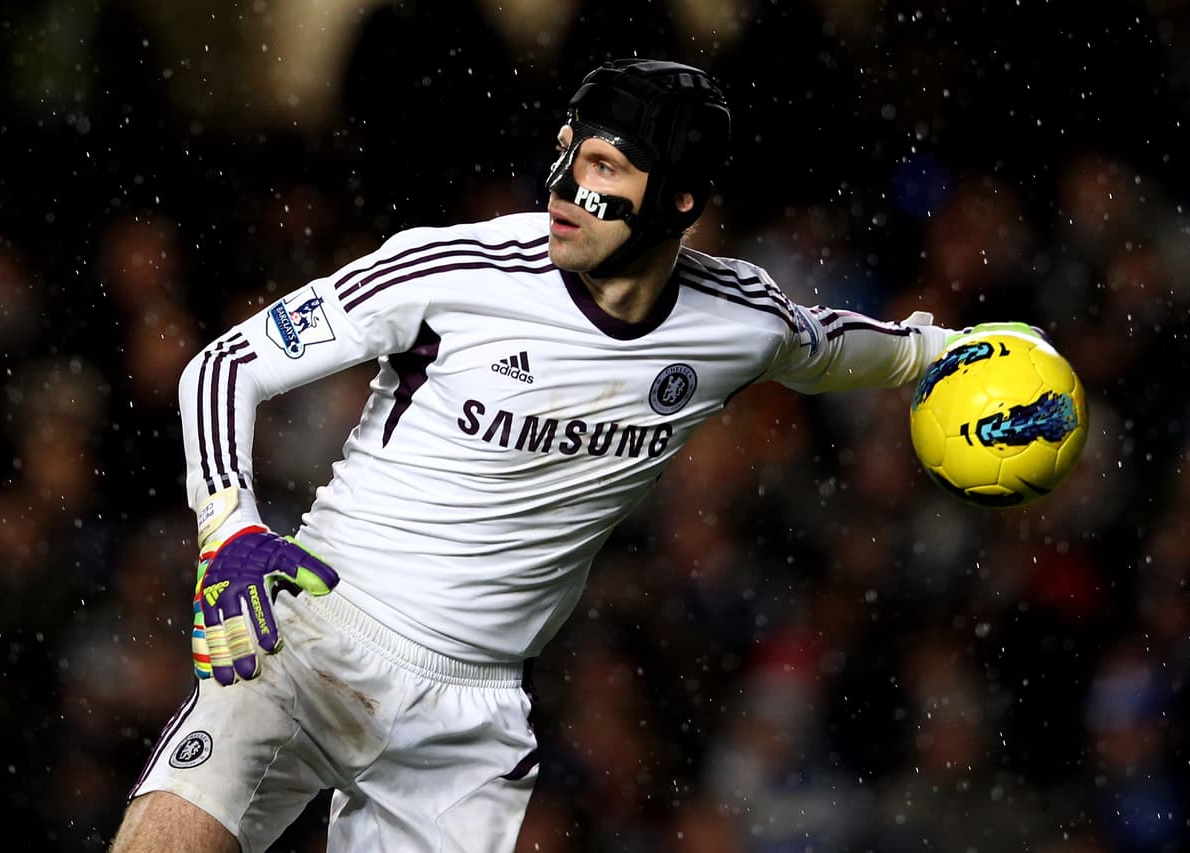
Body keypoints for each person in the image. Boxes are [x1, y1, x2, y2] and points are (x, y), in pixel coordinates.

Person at [111, 58, 979, 852]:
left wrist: (944, 352)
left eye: (603, 166)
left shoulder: (739, 321)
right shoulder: (456, 268)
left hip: (470, 718)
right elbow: (226, 364)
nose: (565, 185)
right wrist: (228, 524)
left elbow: (844, 349)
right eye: (567, 154)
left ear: (679, 198)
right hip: (312, 637)